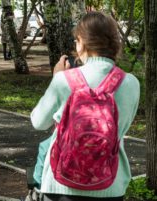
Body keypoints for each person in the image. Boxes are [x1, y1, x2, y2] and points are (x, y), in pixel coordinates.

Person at [29, 11, 140, 201]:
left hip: (60, 184)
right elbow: (121, 128)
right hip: (110, 185)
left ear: (81, 41)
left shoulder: (64, 80)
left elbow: (38, 122)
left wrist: (56, 78)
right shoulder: (130, 83)